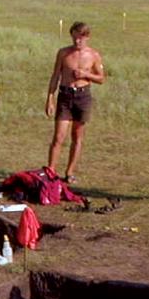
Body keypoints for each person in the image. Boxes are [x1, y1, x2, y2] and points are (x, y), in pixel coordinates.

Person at [45, 22, 105, 183]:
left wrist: (86, 74)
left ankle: (70, 172)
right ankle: (51, 171)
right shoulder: (63, 53)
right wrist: (50, 98)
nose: (77, 42)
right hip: (65, 95)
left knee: (77, 136)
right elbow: (55, 75)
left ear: (87, 37)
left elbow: (101, 78)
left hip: (83, 96)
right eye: (75, 38)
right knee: (58, 136)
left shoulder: (93, 55)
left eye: (80, 38)